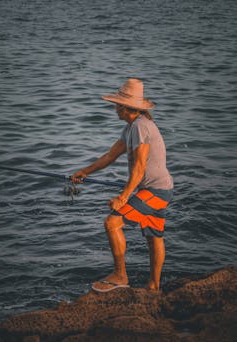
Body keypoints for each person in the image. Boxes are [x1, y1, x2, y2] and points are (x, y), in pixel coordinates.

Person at [71, 78, 173, 293]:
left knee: (112, 223)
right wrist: (84, 172)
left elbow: (139, 166)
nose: (114, 108)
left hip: (155, 190)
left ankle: (120, 275)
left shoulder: (140, 126)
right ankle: (154, 287)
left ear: (126, 107)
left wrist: (123, 197)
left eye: (117, 104)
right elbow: (110, 156)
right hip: (159, 189)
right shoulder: (131, 128)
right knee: (154, 236)